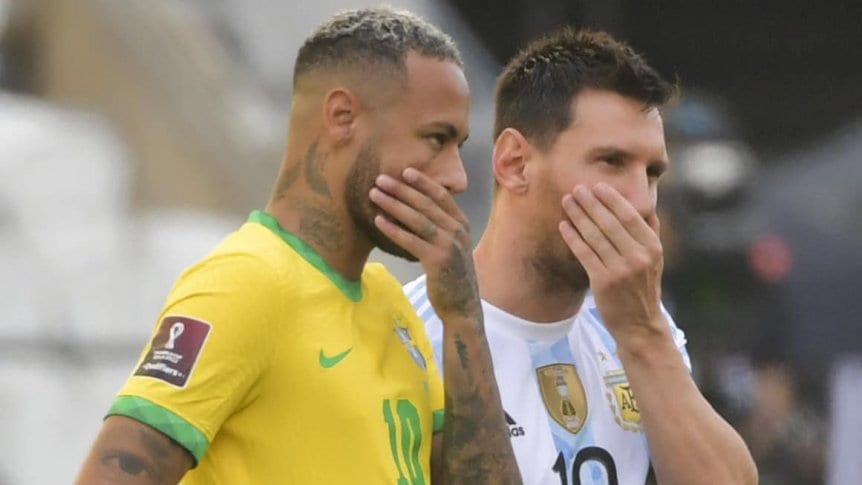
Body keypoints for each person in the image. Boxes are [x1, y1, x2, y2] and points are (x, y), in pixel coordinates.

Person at [75, 7, 520, 484]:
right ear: (342, 116)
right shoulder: (246, 281)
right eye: (436, 138)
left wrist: (464, 318)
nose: (456, 177)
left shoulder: (394, 305)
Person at [404, 27, 758, 485]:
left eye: (652, 173)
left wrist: (644, 334)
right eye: (611, 161)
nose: (642, 202)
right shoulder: (412, 336)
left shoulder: (641, 329)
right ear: (514, 164)